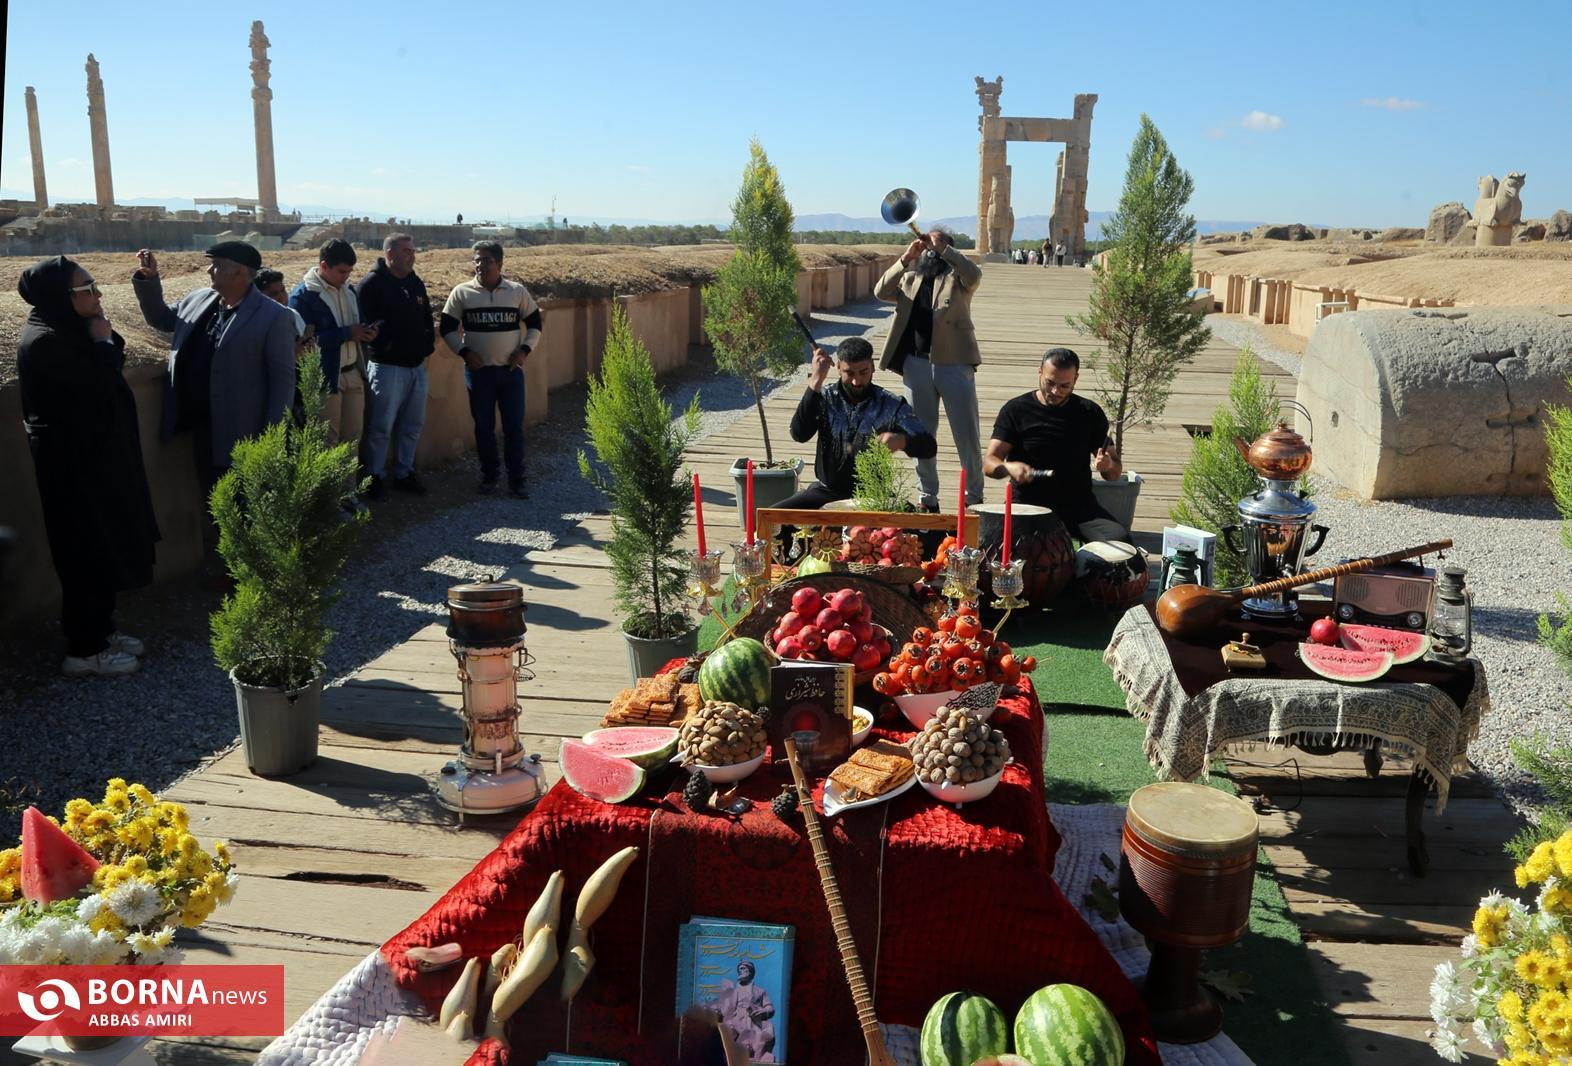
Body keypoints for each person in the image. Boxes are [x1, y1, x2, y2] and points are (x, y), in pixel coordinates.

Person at [18, 257, 160, 676]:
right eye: (87, 289)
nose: (98, 295)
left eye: (95, 286)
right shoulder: (45, 342)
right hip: (74, 471)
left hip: (97, 464)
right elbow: (93, 391)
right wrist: (100, 345)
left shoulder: (67, 330)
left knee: (106, 547)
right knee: (84, 553)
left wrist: (101, 339)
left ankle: (101, 630)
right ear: (60, 298)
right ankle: (83, 649)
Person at [133, 242, 297, 501]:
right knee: (217, 507)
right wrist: (150, 280)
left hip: (244, 436)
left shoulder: (274, 317)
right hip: (203, 430)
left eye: (217, 265)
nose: (209, 270)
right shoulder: (198, 300)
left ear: (240, 273)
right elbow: (160, 318)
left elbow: (282, 385)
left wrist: (272, 441)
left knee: (249, 511)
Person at [874, 227, 984, 512]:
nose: (930, 248)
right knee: (921, 434)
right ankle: (928, 496)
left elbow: (975, 275)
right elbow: (881, 291)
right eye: (928, 243)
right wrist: (906, 257)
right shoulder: (910, 278)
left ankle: (973, 495)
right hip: (916, 365)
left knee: (967, 433)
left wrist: (944, 249)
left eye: (938, 243)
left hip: (955, 364)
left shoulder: (958, 280)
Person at [984, 347, 1126, 542]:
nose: (1055, 391)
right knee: (1007, 550)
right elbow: (989, 463)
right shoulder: (1016, 410)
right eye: (1049, 383)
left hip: (1079, 506)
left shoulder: (1089, 412)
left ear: (1075, 379)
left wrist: (1107, 465)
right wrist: (1008, 466)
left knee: (1122, 546)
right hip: (1027, 505)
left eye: (1064, 386)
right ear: (1040, 371)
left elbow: (1115, 472)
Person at [779, 336, 936, 511]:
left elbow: (929, 445)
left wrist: (902, 440)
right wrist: (815, 381)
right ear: (838, 368)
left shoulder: (891, 404)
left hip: (875, 495)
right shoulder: (825, 397)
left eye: (863, 372)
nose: (857, 381)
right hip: (827, 492)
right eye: (849, 373)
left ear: (873, 367)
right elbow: (799, 434)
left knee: (921, 530)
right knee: (771, 520)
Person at [440, 241, 542, 497]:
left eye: (486, 260)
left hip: (510, 373)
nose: (479, 265)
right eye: (476, 260)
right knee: (483, 427)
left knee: (513, 428)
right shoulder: (462, 293)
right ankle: (489, 475)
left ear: (499, 264)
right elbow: (446, 329)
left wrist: (524, 351)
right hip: (479, 373)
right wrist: (464, 353)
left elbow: (535, 324)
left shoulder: (516, 292)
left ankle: (517, 480)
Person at [356, 233, 436, 500]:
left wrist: (426, 346)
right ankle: (374, 476)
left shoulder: (414, 282)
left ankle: (404, 472)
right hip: (387, 368)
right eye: (405, 251)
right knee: (381, 426)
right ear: (390, 254)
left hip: (416, 367)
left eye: (412, 250)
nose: (411, 255)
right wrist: (388, 345)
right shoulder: (371, 284)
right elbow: (368, 324)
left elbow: (426, 317)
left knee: (413, 424)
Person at [289, 239, 378, 451]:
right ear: (323, 266)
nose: (346, 276)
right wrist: (347, 333)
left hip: (352, 372)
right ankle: (329, 486)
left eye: (349, 271)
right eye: (341, 271)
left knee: (352, 441)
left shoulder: (349, 291)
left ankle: (349, 486)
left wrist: (367, 331)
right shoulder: (303, 297)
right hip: (325, 376)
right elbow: (304, 343)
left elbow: (359, 322)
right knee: (326, 443)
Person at [710, 961, 775, 1062]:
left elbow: (770, 1008)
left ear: (750, 972)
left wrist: (763, 1012)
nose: (740, 971)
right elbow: (725, 1009)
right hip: (736, 1020)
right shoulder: (733, 991)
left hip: (754, 1021)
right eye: (739, 969)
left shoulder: (760, 991)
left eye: (743, 968)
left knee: (766, 1032)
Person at [255, 268, 312, 356]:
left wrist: (310, 349)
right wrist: (293, 355)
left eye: (283, 290)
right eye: (274, 294)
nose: (282, 297)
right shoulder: (253, 327)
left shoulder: (293, 315)